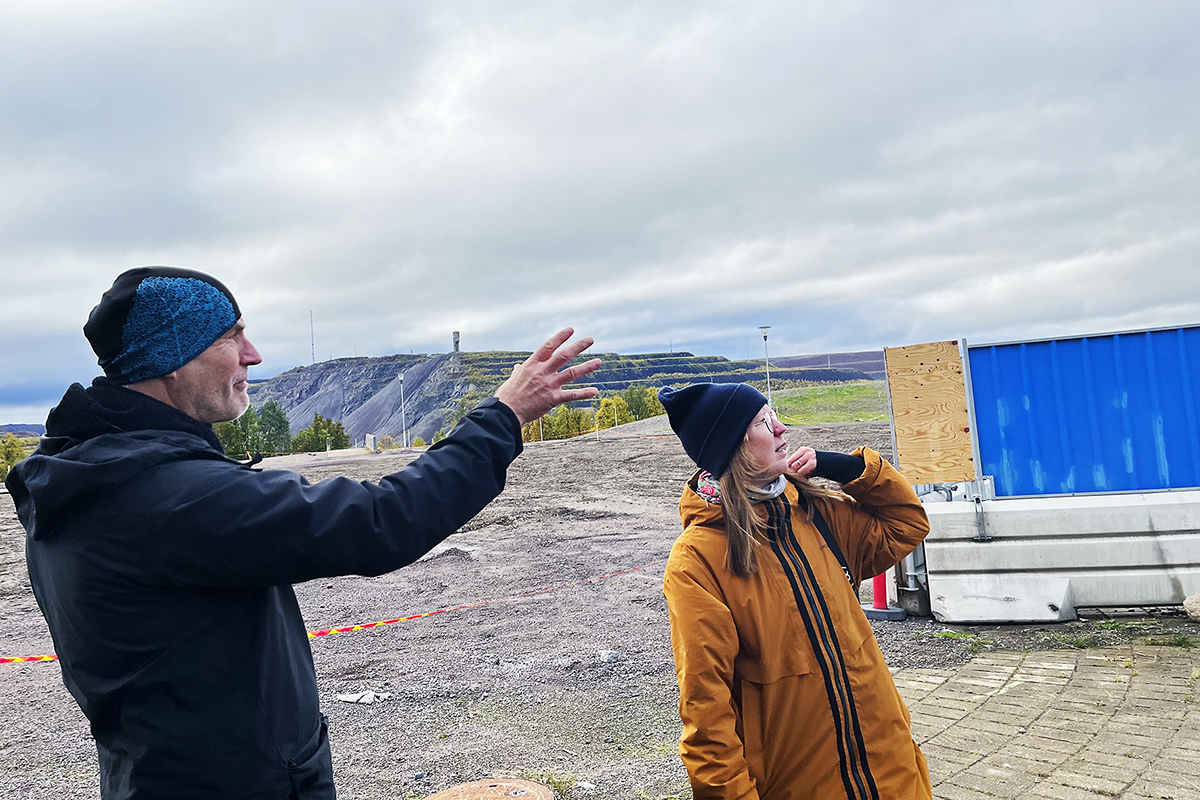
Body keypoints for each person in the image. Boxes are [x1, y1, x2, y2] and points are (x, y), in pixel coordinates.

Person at [4, 266, 601, 800]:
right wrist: (504, 417)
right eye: (231, 337)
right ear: (172, 358)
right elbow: (380, 520)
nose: (253, 354)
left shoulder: (86, 474)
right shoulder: (166, 495)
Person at [658, 382, 932, 800]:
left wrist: (844, 467)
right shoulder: (697, 562)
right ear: (734, 445)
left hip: (892, 775)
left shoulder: (815, 512)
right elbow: (707, 720)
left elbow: (907, 524)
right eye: (764, 422)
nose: (782, 428)